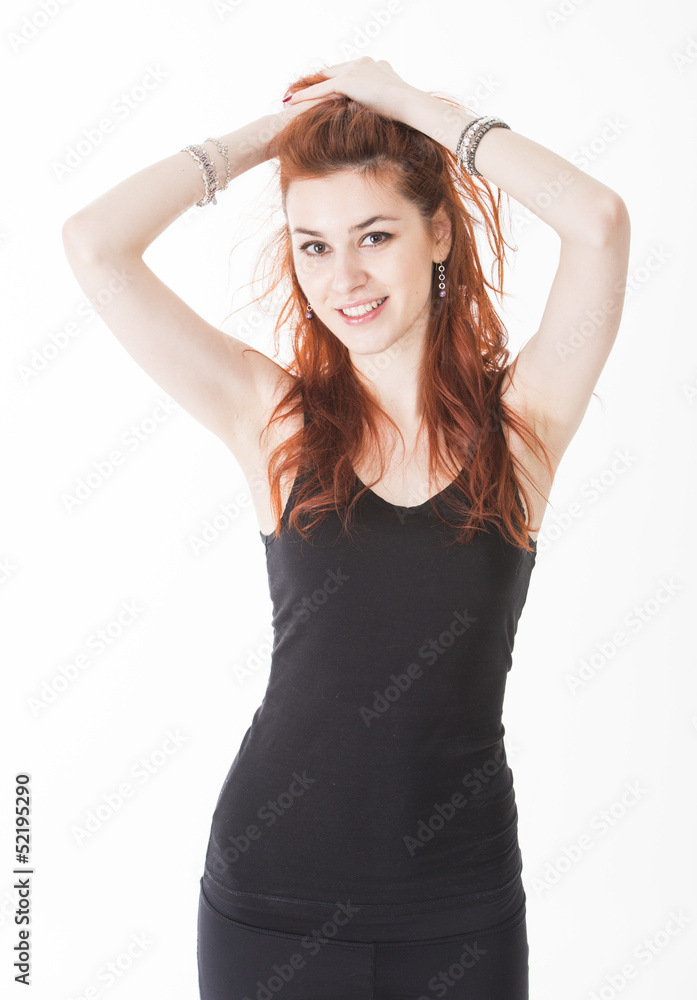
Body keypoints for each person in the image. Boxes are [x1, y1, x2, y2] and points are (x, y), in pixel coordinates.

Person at [62, 56, 630, 1000]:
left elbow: (600, 223)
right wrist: (272, 135)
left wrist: (414, 107)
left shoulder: (521, 423)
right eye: (313, 245)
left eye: (374, 235)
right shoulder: (273, 420)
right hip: (271, 900)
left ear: (437, 231)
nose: (345, 277)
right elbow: (93, 244)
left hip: (459, 907)